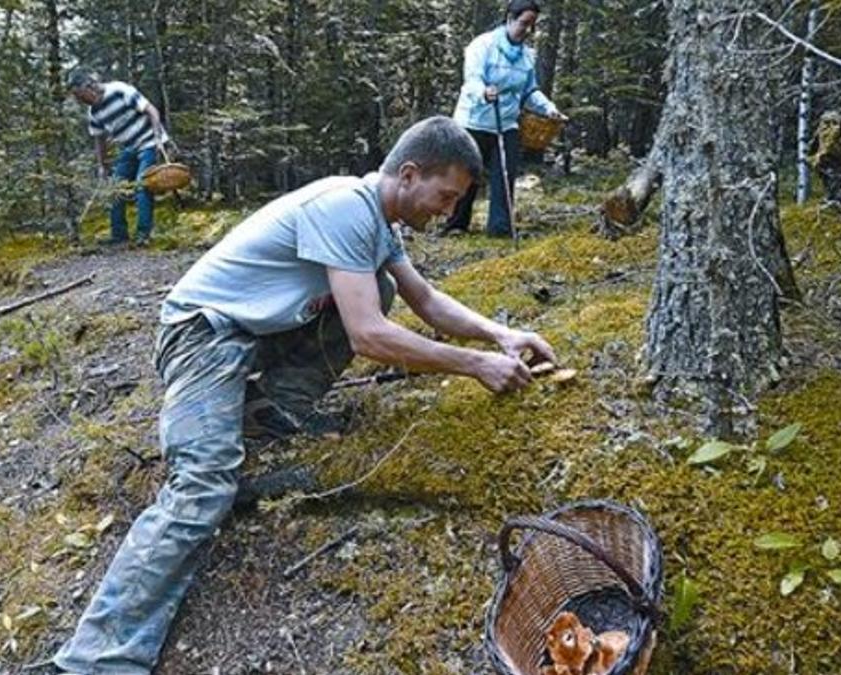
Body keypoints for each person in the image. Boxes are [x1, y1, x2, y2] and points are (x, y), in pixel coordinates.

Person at [52, 116, 558, 674]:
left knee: (382, 285)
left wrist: (500, 335)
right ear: (409, 174)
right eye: (445, 195)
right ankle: (94, 659)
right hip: (202, 335)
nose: (448, 210)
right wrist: (473, 364)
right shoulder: (344, 206)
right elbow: (368, 335)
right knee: (202, 486)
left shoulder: (378, 223)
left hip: (254, 333)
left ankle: (272, 411)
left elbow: (427, 300)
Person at [443, 0, 567, 238]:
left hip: (506, 123)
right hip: (474, 121)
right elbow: (472, 80)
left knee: (505, 175)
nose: (528, 30)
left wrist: (549, 109)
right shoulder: (483, 45)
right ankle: (456, 224)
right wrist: (483, 92)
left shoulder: (527, 57)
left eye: (532, 25)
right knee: (466, 175)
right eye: (524, 23)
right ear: (510, 18)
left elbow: (530, 91)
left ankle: (499, 228)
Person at [67, 71, 170, 247]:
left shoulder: (119, 90)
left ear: (90, 86)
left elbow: (151, 110)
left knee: (142, 185)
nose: (80, 101)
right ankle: (119, 235)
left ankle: (143, 235)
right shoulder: (93, 112)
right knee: (115, 188)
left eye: (80, 96)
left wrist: (158, 138)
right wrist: (101, 165)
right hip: (129, 147)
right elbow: (99, 139)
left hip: (149, 142)